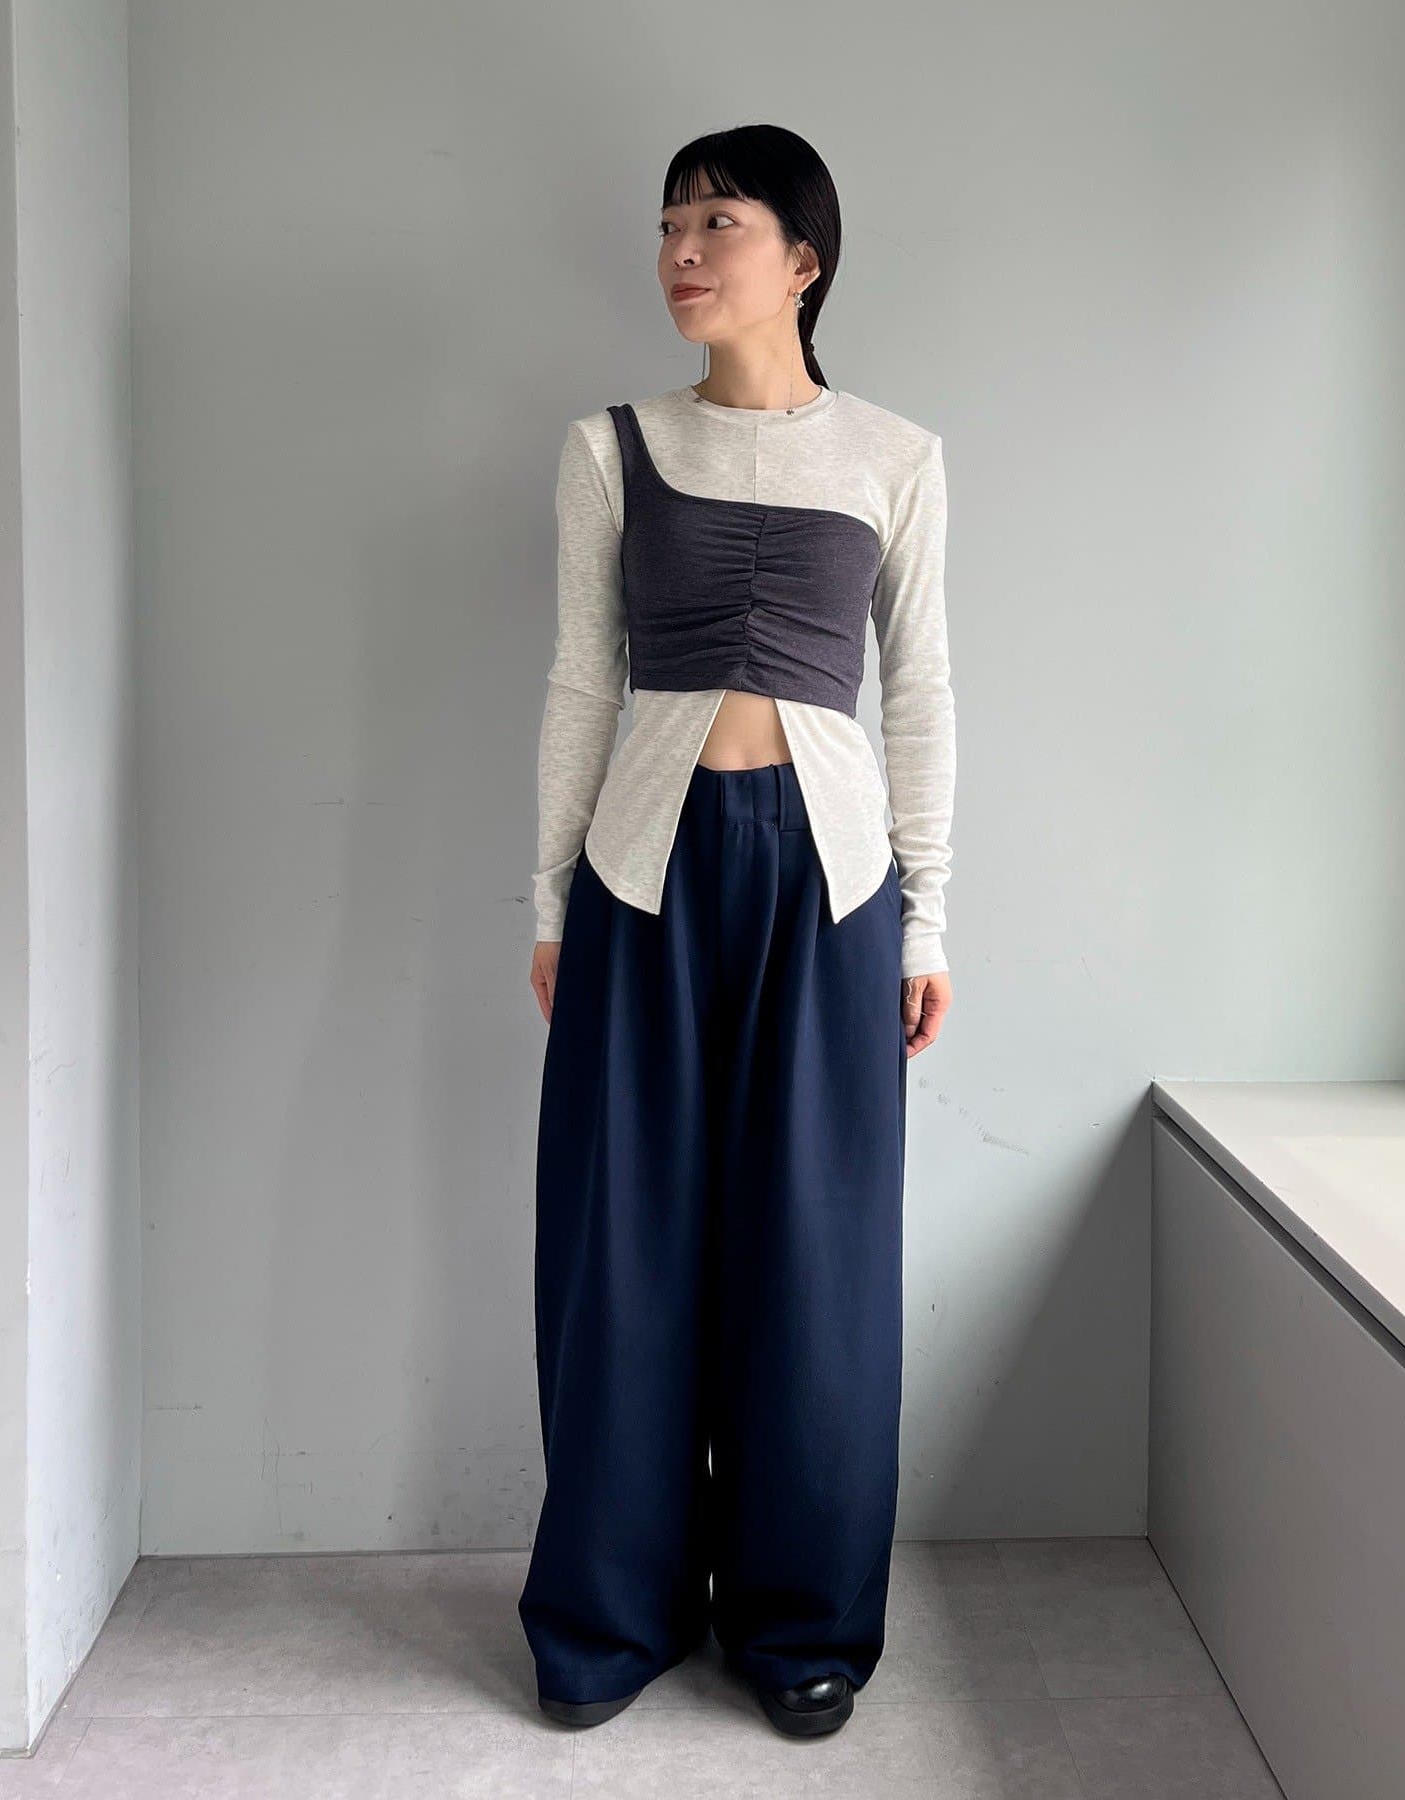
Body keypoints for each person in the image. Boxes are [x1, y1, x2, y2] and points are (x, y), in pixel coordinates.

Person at [518, 122, 957, 1742]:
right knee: (622, 1246)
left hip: (832, 887)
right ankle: (608, 1615)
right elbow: (584, 678)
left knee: (816, 1255)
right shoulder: (610, 448)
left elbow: (921, 691)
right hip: (644, 876)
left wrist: (925, 920)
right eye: (667, 226)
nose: (682, 251)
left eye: (718, 222)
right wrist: (553, 899)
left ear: (805, 258)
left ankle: (801, 1624)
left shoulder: (896, 456)